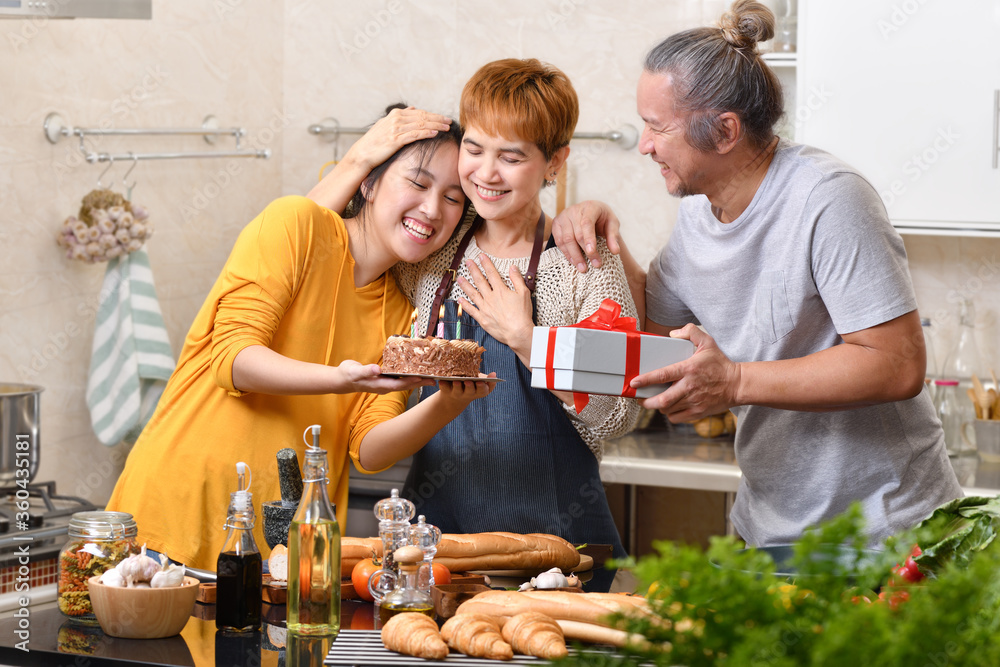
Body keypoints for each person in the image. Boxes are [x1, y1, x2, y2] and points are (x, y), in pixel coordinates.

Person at [553, 0, 963, 547]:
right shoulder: (698, 212)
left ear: (724, 132)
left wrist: (737, 381)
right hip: (769, 531)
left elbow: (897, 363)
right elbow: (652, 334)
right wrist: (606, 235)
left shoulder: (829, 199)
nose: (646, 145)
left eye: (657, 128)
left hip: (885, 536)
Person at [107, 107, 493, 570]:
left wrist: (448, 404)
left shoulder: (405, 309)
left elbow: (369, 449)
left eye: (453, 198)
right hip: (175, 518)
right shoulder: (295, 225)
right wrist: (341, 378)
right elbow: (234, 360)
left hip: (285, 550)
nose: (432, 209)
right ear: (368, 183)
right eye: (418, 182)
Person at [312, 60, 639, 558]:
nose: (485, 174)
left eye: (511, 157)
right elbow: (312, 244)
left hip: (557, 549)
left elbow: (618, 415)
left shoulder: (582, 262)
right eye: (474, 148)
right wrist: (363, 157)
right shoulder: (432, 247)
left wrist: (531, 341)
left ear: (555, 162)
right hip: (440, 548)